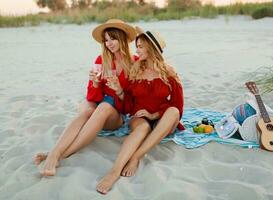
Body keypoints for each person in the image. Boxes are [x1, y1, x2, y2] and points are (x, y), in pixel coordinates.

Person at [33, 19, 137, 176]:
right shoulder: (101, 60)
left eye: (113, 38)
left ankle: (61, 155)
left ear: (122, 38)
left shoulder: (134, 63)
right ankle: (54, 153)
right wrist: (95, 83)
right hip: (98, 106)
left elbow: (132, 106)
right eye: (106, 40)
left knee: (104, 107)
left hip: (116, 114)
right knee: (86, 110)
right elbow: (91, 96)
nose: (109, 43)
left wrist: (120, 91)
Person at [96, 26, 184, 194]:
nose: (137, 50)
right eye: (137, 46)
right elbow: (129, 105)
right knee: (142, 127)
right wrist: (119, 90)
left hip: (163, 118)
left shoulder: (169, 72)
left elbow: (177, 106)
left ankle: (136, 156)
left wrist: (155, 114)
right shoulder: (136, 70)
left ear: (152, 48)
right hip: (140, 117)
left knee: (173, 112)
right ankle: (114, 171)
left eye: (141, 46)